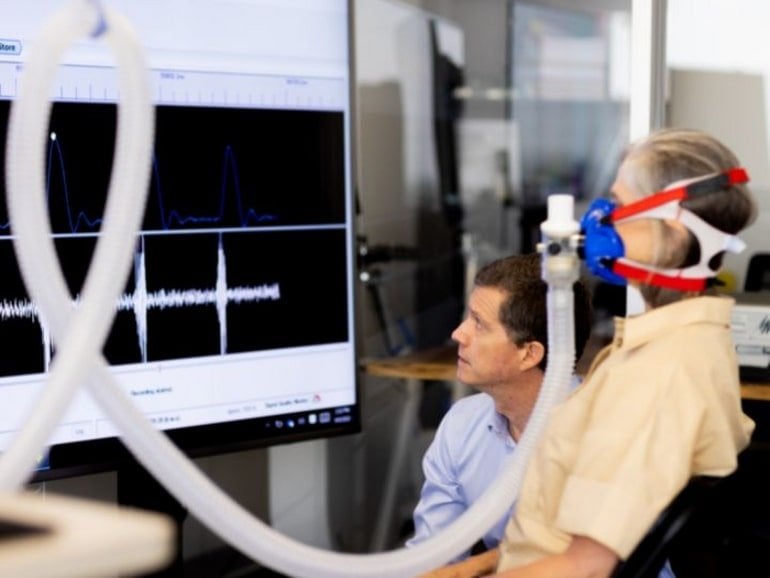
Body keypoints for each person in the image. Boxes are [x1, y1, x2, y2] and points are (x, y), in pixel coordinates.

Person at [479, 128, 757, 577]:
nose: (599, 221)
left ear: (670, 225)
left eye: (618, 206)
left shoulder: (662, 373)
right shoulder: (675, 344)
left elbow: (585, 566)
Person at [406, 252, 593, 560]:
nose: (458, 334)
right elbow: (433, 554)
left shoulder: (602, 435)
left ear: (529, 354)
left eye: (479, 324)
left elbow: (585, 565)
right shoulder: (463, 425)